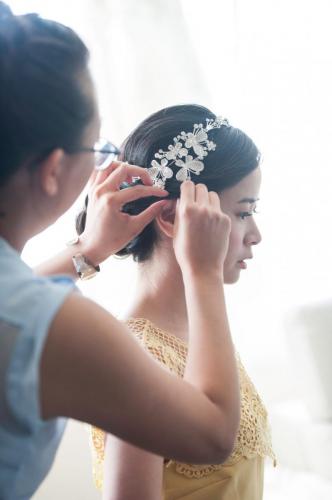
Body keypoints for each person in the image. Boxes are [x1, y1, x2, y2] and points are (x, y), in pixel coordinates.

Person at [0, 4, 241, 499]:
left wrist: (88, 250)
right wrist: (203, 271)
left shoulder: (25, 305)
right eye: (96, 149)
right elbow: (213, 434)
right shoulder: (68, 328)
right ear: (51, 170)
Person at [86, 104, 277, 500]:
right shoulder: (138, 360)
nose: (255, 234)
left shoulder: (197, 336)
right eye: (243, 213)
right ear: (173, 218)